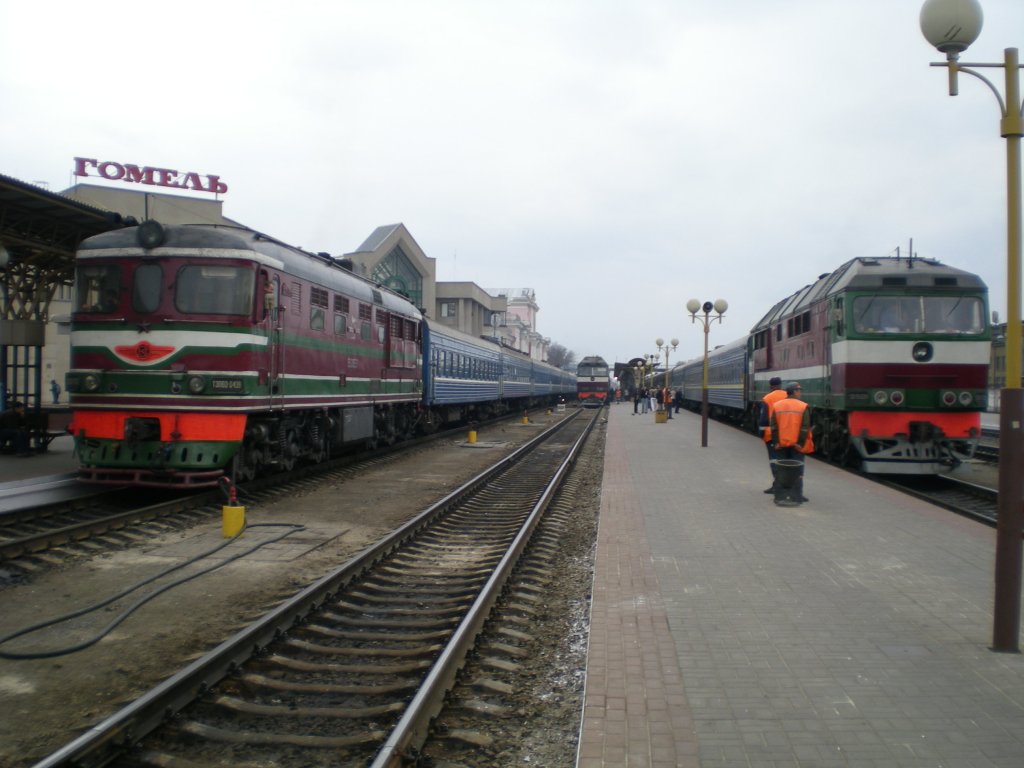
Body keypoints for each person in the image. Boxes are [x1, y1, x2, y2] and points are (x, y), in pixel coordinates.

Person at [769, 382, 814, 505]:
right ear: (794, 391)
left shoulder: (777, 405)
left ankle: (780, 496)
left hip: (781, 444)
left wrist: (776, 442)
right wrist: (800, 443)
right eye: (799, 390)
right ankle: (796, 496)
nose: (800, 393)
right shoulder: (803, 406)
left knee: (781, 470)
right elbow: (805, 427)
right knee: (798, 470)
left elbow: (773, 427)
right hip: (796, 445)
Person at [759, 377, 788, 495]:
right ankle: (785, 485)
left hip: (771, 435)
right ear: (781, 385)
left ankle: (778, 485)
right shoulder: (788, 396)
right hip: (786, 434)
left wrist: (761, 434)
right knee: (785, 460)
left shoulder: (767, 398)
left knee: (774, 460)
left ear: (771, 386)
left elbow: (763, 420)